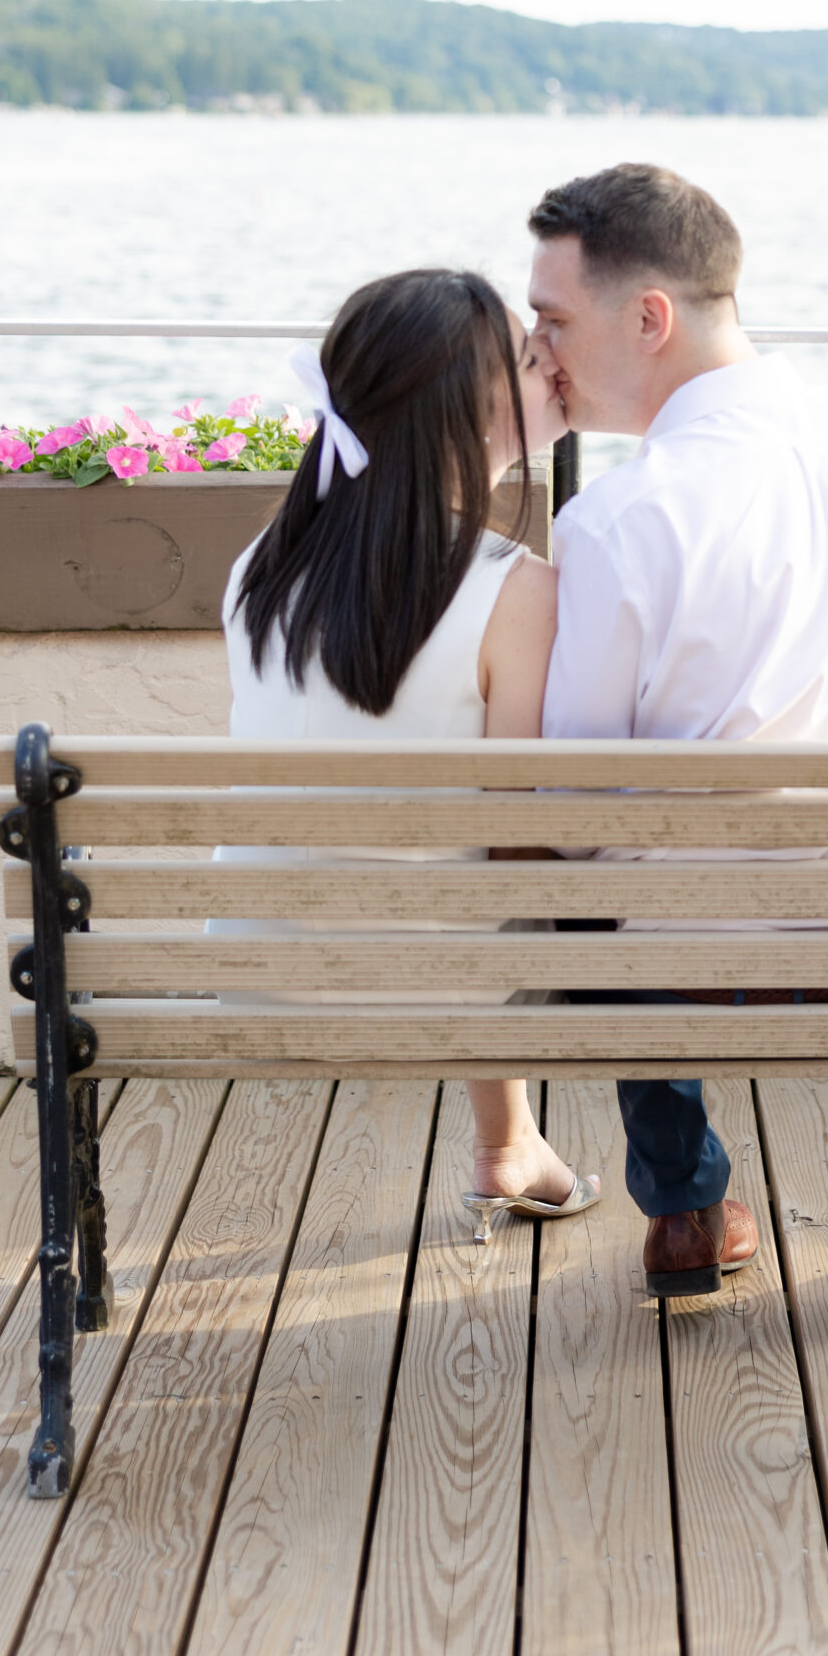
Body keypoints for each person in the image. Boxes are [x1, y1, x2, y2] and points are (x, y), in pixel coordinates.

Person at [529, 163, 828, 1320]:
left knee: (606, 883)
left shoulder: (614, 519)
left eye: (552, 319)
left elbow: (570, 804)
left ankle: (687, 1205)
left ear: (649, 317)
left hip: (672, 967)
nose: (540, 348)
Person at [214, 265, 598, 1238]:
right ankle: (513, 1144)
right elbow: (517, 839)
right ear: (469, 419)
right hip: (436, 980)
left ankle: (510, 1144)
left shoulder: (259, 568)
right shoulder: (519, 593)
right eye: (525, 356)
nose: (548, 363)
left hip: (254, 967)